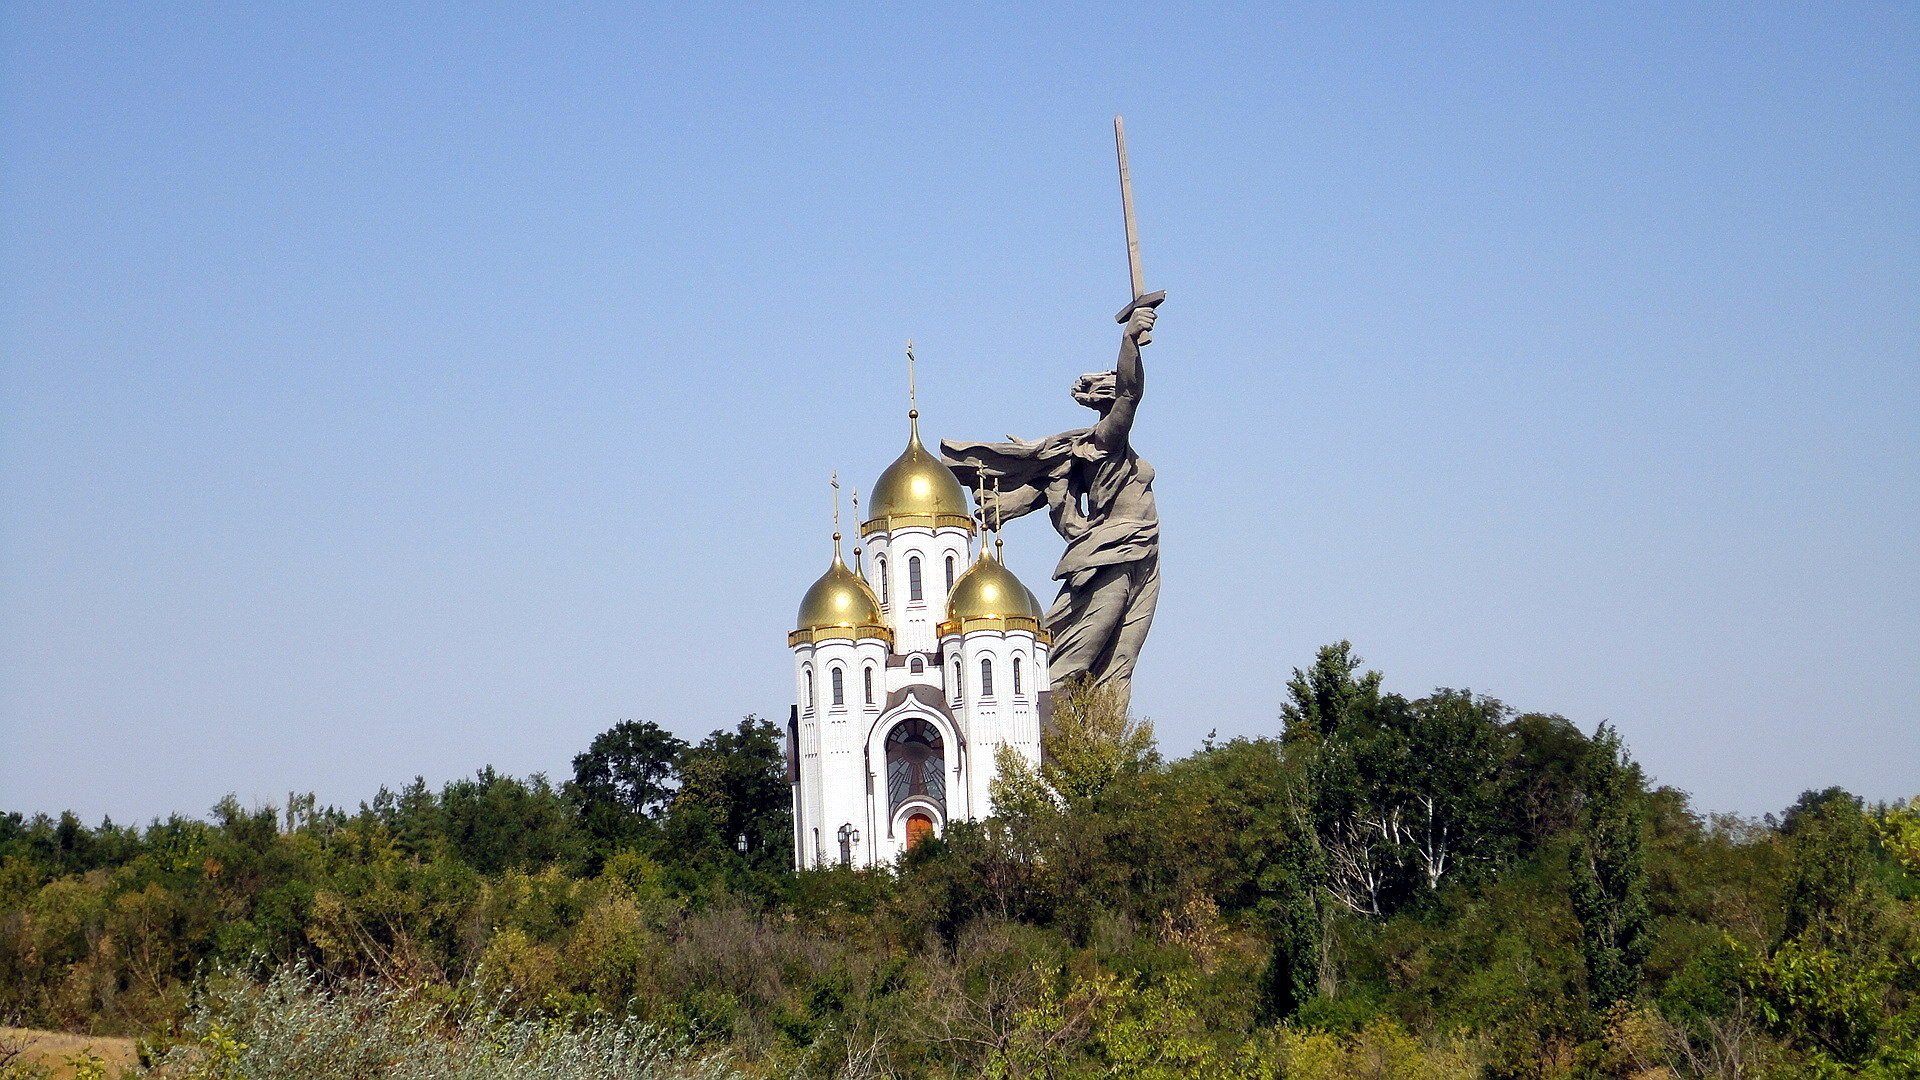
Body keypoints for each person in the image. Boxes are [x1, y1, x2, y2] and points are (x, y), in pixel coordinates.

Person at [943, 304, 1160, 704]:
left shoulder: (1094, 449)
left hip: (1143, 553)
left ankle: (1102, 746)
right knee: (1084, 647)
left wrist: (1006, 508)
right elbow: (1132, 393)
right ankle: (1039, 717)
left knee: (1122, 658)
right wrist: (1129, 339)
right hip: (1111, 551)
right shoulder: (1104, 442)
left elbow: (1045, 487)